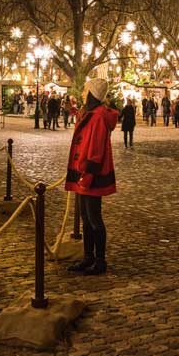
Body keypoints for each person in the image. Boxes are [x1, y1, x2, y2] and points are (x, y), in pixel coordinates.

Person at [65, 78, 118, 275]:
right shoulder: (90, 114)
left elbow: (95, 149)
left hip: (91, 174)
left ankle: (99, 260)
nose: (82, 93)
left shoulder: (97, 117)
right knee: (86, 218)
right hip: (84, 172)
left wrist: (87, 174)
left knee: (94, 218)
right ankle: (88, 256)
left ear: (92, 94)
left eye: (85, 90)